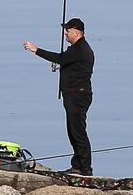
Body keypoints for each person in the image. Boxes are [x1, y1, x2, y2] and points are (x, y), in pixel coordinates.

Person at [24, 18, 94, 175]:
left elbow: (60, 58)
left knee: (78, 131)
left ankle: (86, 169)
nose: (65, 33)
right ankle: (77, 165)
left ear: (76, 32)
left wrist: (36, 50)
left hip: (78, 95)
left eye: (68, 31)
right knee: (72, 130)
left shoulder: (80, 49)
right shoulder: (75, 49)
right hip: (73, 94)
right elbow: (65, 60)